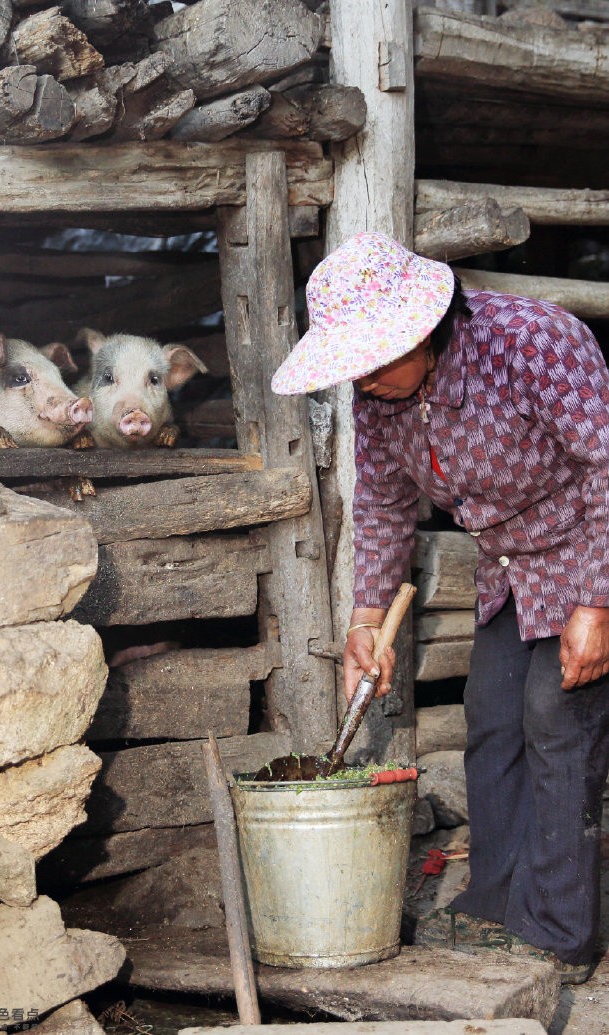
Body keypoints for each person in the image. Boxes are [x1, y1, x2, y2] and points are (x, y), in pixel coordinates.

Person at [271, 231, 609, 985]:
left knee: (557, 723)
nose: (361, 379)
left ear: (425, 330)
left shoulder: (534, 343)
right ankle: (496, 901)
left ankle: (562, 932)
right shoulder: (381, 395)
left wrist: (599, 600)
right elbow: (387, 505)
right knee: (492, 719)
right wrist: (364, 622)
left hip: (586, 548)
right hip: (508, 567)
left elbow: (606, 465)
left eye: (373, 357)